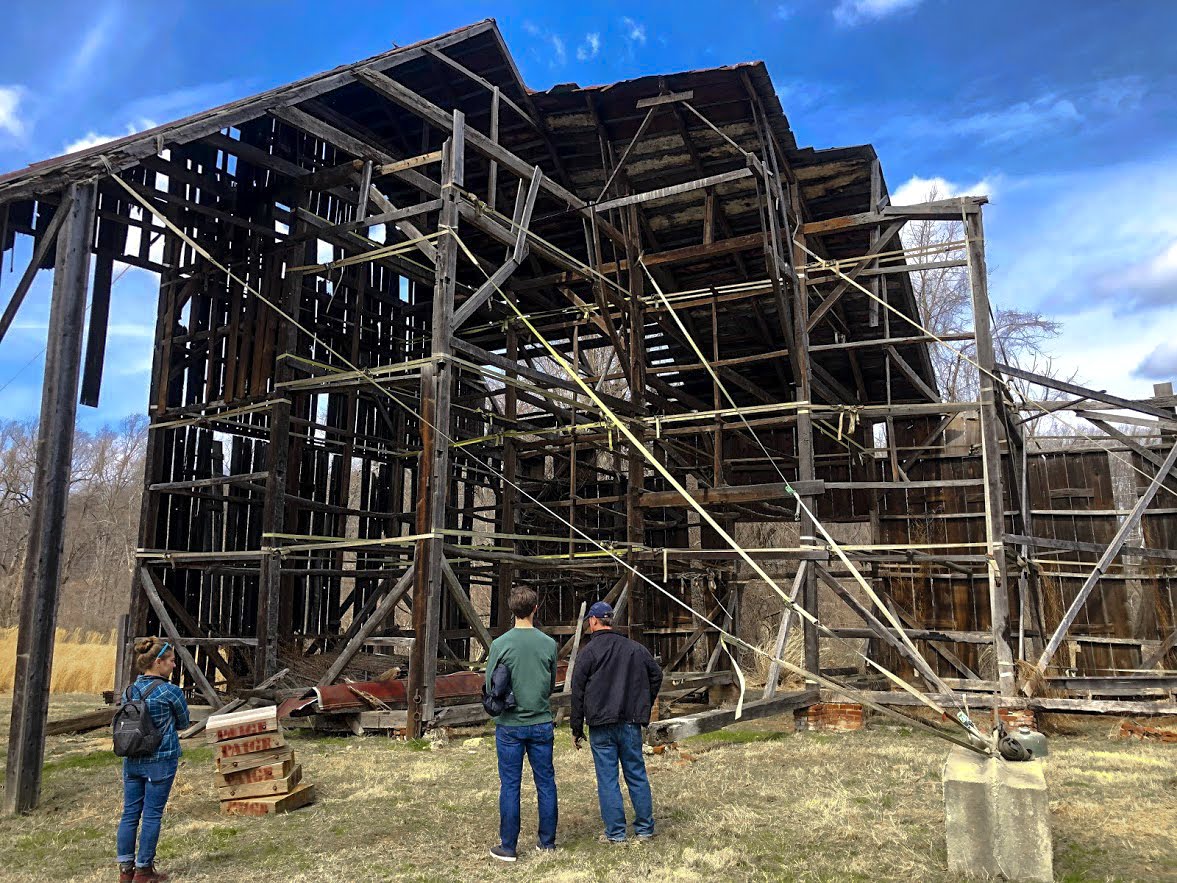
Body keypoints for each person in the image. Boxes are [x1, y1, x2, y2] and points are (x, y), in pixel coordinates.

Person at [570, 601, 663, 845]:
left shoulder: (587, 653)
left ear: (592, 621)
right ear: (611, 621)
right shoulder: (635, 649)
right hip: (630, 721)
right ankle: (644, 829)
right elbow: (657, 675)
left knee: (608, 779)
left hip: (601, 725)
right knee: (637, 775)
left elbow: (577, 693)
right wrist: (644, 704)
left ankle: (616, 834)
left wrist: (576, 729)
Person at [484, 586, 559, 862]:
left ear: (511, 610)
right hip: (541, 721)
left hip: (510, 724)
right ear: (535, 609)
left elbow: (490, 685)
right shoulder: (549, 644)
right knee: (546, 783)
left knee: (510, 785)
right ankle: (547, 842)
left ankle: (508, 846)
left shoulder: (500, 645)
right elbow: (550, 685)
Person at [116, 638, 190, 883]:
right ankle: (144, 871)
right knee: (151, 815)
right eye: (170, 661)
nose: (174, 665)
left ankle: (126, 871)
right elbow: (183, 723)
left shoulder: (129, 691)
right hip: (161, 758)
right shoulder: (171, 691)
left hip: (133, 758)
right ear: (158, 662)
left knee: (129, 814)